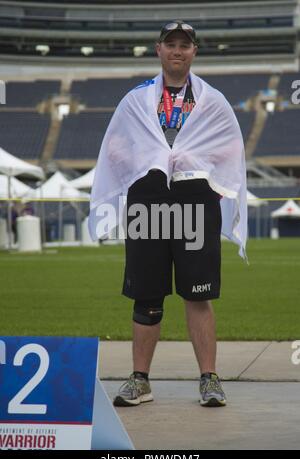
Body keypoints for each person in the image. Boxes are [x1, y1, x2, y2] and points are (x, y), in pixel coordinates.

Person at [89, 21, 247, 408]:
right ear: (158, 49)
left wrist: (198, 163)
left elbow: (231, 148)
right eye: (171, 44)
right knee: (146, 293)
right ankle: (140, 379)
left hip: (195, 196)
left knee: (199, 293)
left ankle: (209, 379)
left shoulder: (212, 100)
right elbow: (114, 148)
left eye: (185, 45)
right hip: (149, 195)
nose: (178, 50)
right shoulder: (135, 100)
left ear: (194, 52)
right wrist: (146, 158)